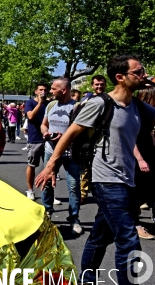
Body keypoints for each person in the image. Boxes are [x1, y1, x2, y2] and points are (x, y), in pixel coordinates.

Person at [36, 54, 155, 285]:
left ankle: (85, 284)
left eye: (144, 71)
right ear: (120, 77)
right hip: (106, 179)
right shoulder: (101, 103)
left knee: (100, 236)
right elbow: (71, 132)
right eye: (139, 71)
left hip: (127, 179)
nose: (144, 74)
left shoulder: (138, 106)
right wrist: (51, 164)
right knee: (128, 239)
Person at [40, 78, 82, 234]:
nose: (50, 91)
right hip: (50, 151)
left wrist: (64, 137)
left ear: (63, 90)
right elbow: (44, 124)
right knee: (47, 183)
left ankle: (74, 218)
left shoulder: (77, 107)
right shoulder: (51, 105)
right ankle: (47, 211)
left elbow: (81, 131)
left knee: (73, 186)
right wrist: (46, 133)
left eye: (53, 89)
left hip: (71, 153)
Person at [79, 74, 108, 204]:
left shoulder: (110, 99)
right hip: (88, 139)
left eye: (101, 84)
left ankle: (101, 194)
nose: (99, 86)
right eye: (97, 84)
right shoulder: (87, 100)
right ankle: (83, 193)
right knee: (85, 168)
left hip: (104, 138)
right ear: (92, 86)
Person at [133, 86, 155, 239]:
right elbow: (130, 139)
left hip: (148, 156)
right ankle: (136, 225)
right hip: (138, 159)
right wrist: (140, 159)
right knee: (135, 193)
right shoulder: (136, 116)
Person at [24, 83, 48, 200]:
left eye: (45, 90)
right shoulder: (30, 103)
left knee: (49, 167)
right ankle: (30, 190)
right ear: (36, 91)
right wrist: (39, 103)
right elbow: (31, 117)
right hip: (35, 139)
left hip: (47, 139)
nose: (43, 92)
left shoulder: (49, 104)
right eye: (40, 90)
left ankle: (48, 194)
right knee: (32, 165)